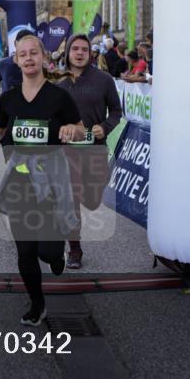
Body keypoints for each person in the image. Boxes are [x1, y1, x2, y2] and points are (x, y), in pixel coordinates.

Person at [0, 34, 85, 326]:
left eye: (33, 53)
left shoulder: (59, 97)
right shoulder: (8, 99)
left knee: (47, 251)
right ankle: (37, 305)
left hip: (50, 181)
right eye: (22, 54)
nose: (28, 58)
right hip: (20, 182)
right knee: (25, 250)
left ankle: (56, 255)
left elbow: (80, 129)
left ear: (43, 58)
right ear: (16, 60)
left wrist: (71, 131)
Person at [56, 34, 122, 269]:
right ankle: (74, 249)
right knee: (70, 201)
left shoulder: (104, 80)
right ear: (68, 52)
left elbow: (116, 111)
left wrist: (105, 127)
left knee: (92, 200)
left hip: (95, 150)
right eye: (75, 49)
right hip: (67, 151)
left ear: (91, 53)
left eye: (84, 49)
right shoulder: (58, 81)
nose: (80, 53)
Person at [0, 29, 34, 101]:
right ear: (15, 44)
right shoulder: (4, 64)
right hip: (9, 107)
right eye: (23, 43)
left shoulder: (36, 64)